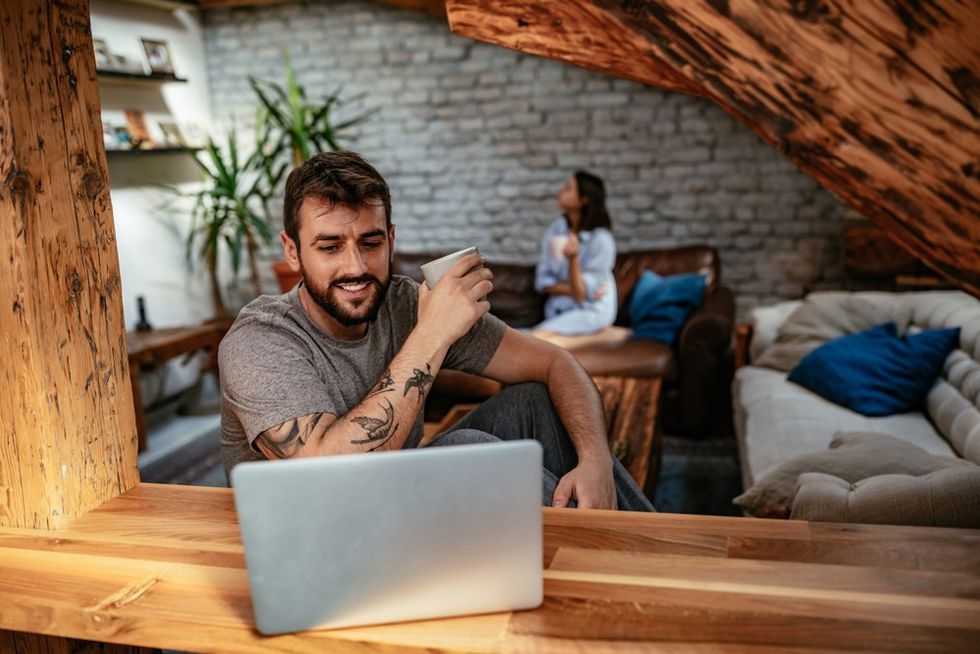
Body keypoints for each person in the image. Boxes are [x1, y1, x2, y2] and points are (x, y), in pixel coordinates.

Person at [219, 151, 653, 512]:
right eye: (330, 247)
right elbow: (329, 479)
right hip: (317, 535)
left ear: (391, 240)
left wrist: (595, 460)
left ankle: (646, 551)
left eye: (371, 243)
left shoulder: (406, 302)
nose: (356, 267)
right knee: (471, 451)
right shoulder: (259, 340)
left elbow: (556, 362)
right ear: (292, 251)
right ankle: (605, 560)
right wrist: (432, 335)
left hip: (393, 504)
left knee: (534, 401)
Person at [532, 171, 617, 342]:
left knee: (534, 340)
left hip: (591, 310)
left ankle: (603, 332)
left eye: (568, 188)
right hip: (560, 309)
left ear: (583, 199)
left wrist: (573, 260)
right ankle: (607, 335)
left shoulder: (602, 240)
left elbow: (580, 296)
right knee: (541, 341)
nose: (561, 191)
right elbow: (542, 281)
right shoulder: (556, 230)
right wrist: (575, 289)